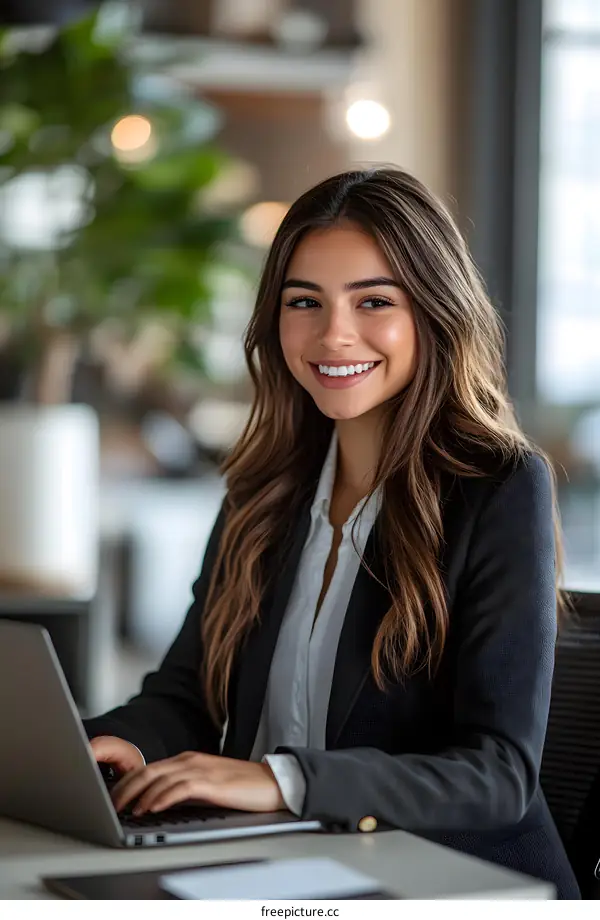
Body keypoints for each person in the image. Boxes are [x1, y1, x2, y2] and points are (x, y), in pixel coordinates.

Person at [85, 167, 580, 898]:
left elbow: (496, 772)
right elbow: (188, 694)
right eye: (303, 302)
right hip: (282, 872)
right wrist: (115, 744)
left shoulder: (498, 487)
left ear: (434, 312)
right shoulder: (265, 488)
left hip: (458, 885)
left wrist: (280, 781)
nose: (332, 334)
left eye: (373, 301)